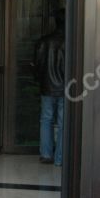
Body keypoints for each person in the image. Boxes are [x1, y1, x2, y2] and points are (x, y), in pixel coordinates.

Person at [33, 9, 66, 166]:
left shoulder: (43, 41)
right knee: (62, 123)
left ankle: (46, 154)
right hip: (66, 88)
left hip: (47, 87)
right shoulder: (71, 41)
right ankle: (59, 158)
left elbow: (38, 66)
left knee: (45, 120)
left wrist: (39, 81)